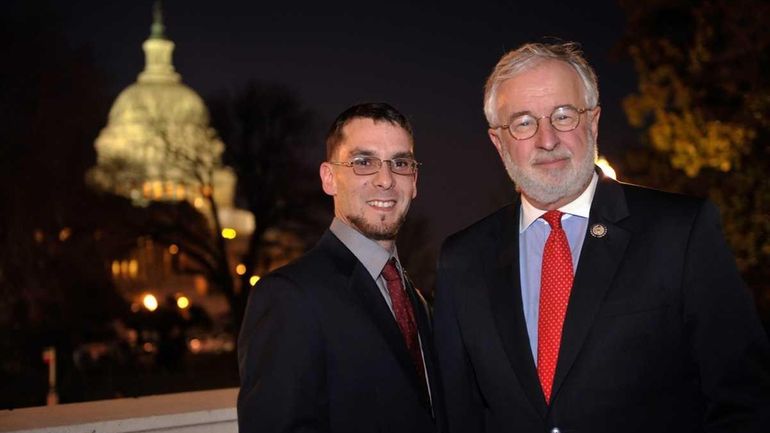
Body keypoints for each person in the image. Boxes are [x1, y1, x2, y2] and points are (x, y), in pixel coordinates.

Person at [433, 42, 770, 433]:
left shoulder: (680, 231)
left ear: (592, 122)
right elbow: (458, 416)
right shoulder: (462, 259)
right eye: (524, 122)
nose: (547, 140)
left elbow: (746, 399)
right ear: (498, 141)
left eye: (563, 116)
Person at [238, 102, 442, 433]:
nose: (386, 180)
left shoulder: (414, 299)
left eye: (400, 163)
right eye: (364, 162)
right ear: (329, 178)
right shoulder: (289, 296)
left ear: (414, 180)